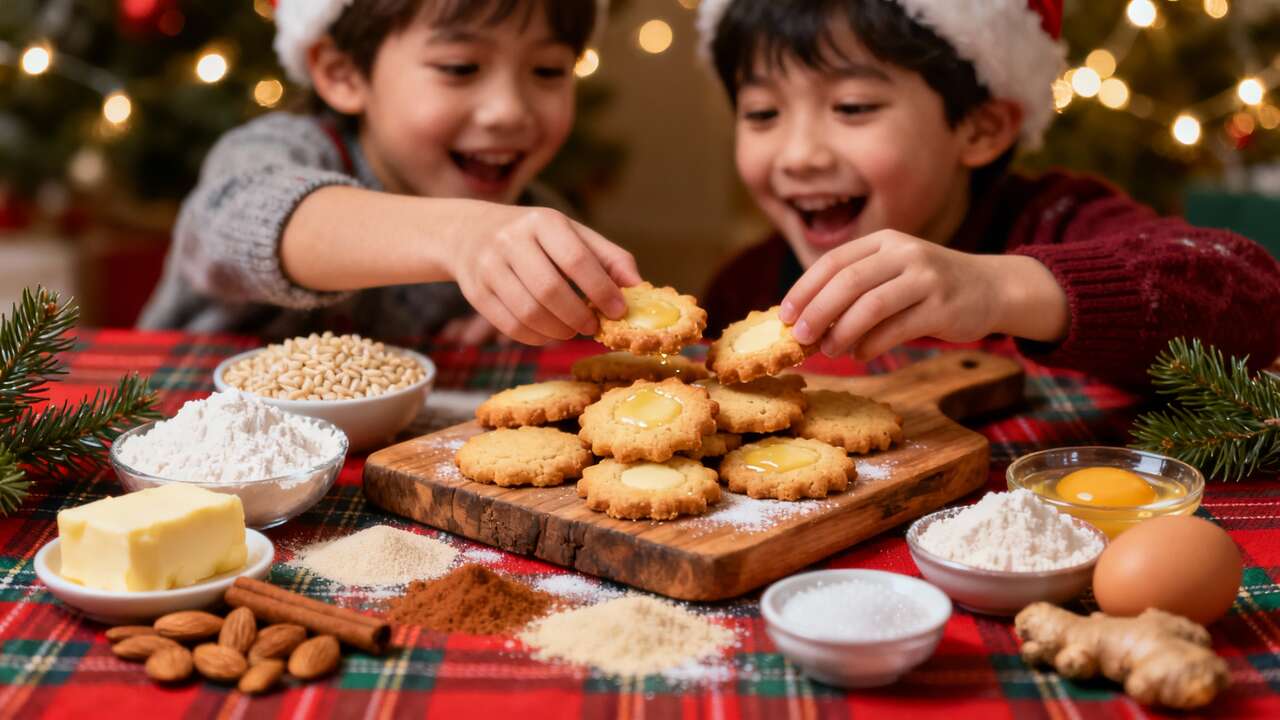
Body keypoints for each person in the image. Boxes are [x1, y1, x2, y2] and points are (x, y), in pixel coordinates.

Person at [697, 0, 1280, 387]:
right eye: (762, 112)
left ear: (981, 128)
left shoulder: (1058, 218)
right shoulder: (744, 288)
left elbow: (1252, 296)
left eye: (852, 107)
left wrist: (997, 287)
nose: (799, 155)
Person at [139, 0, 638, 347]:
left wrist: (534, 311)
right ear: (343, 74)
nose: (508, 111)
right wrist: (462, 236)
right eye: (460, 67)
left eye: (549, 70)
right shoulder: (284, 149)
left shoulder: (537, 220)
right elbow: (233, 220)